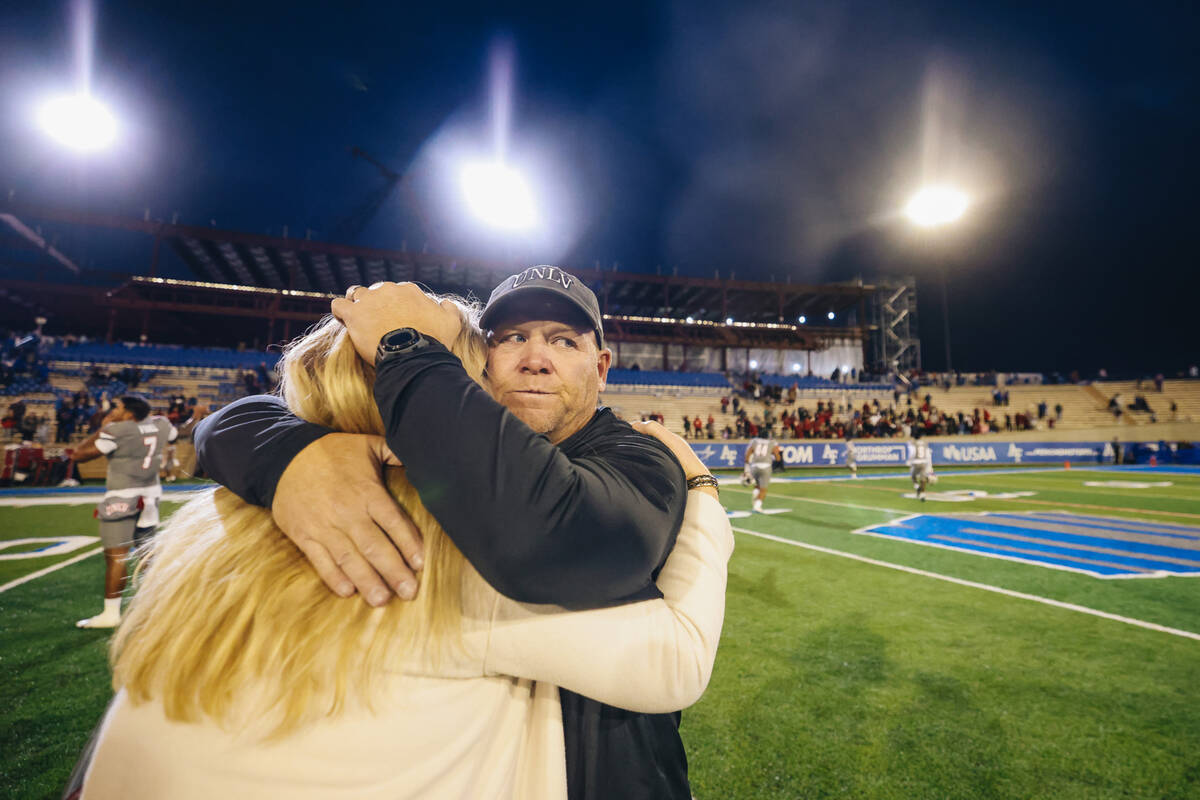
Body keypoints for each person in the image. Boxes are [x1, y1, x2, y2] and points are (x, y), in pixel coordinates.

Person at [80, 306, 732, 800]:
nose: (531, 364)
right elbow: (673, 658)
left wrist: (273, 444)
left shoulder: (209, 535)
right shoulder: (435, 557)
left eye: (564, 341)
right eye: (500, 350)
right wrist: (703, 493)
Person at [69, 396, 177, 628]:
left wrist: (102, 428)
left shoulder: (117, 430)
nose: (113, 410)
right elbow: (175, 435)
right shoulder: (161, 424)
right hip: (149, 496)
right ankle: (162, 606)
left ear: (129, 413)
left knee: (117, 557)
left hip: (122, 497)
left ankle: (111, 614)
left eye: (118, 407)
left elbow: (78, 455)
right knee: (147, 554)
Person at [743, 433, 780, 513]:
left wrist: (746, 468)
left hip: (755, 466)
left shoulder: (754, 441)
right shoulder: (771, 443)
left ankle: (755, 495)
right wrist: (775, 458)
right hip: (766, 467)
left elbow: (748, 454)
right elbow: (777, 457)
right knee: (763, 489)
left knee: (757, 485)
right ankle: (757, 506)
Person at [907, 432, 934, 501]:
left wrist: (909, 461)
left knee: (913, 476)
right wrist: (930, 467)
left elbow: (912, 453)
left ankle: (917, 486)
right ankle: (922, 494)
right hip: (924, 462)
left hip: (915, 462)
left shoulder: (912, 444)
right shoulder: (925, 443)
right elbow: (928, 454)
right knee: (923, 479)